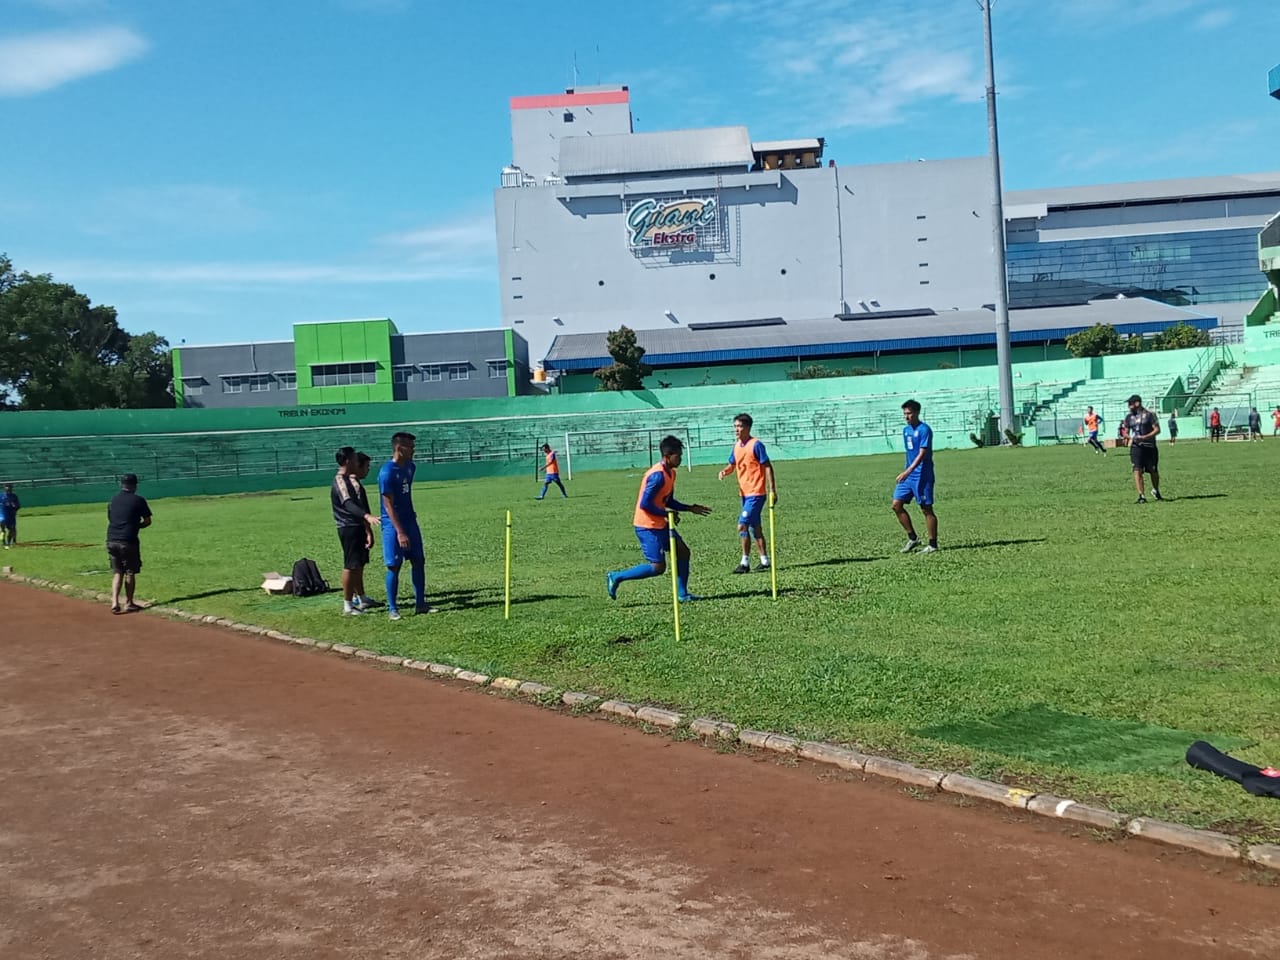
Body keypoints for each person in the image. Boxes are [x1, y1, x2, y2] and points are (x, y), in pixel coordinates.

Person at [606, 434, 711, 602]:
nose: (681, 459)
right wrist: (667, 514)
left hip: (660, 523)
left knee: (683, 552)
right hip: (647, 526)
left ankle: (683, 594)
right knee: (657, 567)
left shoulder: (671, 474)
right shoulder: (657, 476)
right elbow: (645, 504)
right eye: (678, 455)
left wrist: (689, 508)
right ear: (667, 456)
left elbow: (668, 500)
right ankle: (616, 576)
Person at [378, 431, 436, 620]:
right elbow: (388, 505)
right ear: (399, 448)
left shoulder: (411, 467)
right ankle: (393, 609)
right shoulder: (387, 473)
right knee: (394, 565)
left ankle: (421, 604)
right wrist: (400, 532)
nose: (414, 450)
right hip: (393, 525)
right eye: (410, 447)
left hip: (410, 520)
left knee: (418, 560)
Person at [718, 413, 777, 573]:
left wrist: (772, 490)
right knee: (754, 527)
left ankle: (744, 563)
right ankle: (765, 561)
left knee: (742, 525)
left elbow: (767, 466)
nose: (736, 429)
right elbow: (732, 464)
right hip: (744, 494)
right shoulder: (736, 446)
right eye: (735, 426)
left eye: (740, 426)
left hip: (756, 493)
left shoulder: (756, 445)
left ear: (748, 428)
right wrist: (724, 471)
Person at [331, 447, 382, 616]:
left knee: (358, 564)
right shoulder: (340, 481)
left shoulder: (349, 479)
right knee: (350, 565)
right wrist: (367, 516)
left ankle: (362, 598)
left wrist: (367, 529)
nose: (356, 462)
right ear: (347, 461)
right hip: (348, 527)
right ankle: (348, 605)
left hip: (357, 526)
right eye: (354, 459)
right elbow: (348, 504)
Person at [892, 399, 938, 553]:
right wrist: (907, 471)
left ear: (917, 412)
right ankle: (913, 538)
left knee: (926, 509)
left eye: (909, 413)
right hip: (909, 476)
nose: (907, 416)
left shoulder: (924, 429)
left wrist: (907, 471)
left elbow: (922, 454)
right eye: (905, 413)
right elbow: (909, 453)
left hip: (922, 476)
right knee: (896, 505)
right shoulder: (906, 430)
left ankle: (932, 544)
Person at [105, 473, 152, 614]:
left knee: (117, 572)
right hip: (128, 540)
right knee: (130, 572)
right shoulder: (138, 500)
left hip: (111, 539)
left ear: (121, 485)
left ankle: (114, 602)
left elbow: (110, 518)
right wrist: (136, 526)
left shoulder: (113, 500)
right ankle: (129, 602)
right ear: (135, 486)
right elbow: (147, 521)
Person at [1124, 395, 1162, 504]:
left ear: (1137, 403)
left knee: (1153, 470)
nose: (1129, 406)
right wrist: (1127, 436)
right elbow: (1125, 431)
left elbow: (1157, 430)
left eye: (1130, 404)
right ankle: (1141, 495)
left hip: (1149, 446)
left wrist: (1145, 437)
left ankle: (1156, 490)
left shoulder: (1150, 415)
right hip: (1136, 447)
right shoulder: (1128, 417)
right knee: (1137, 469)